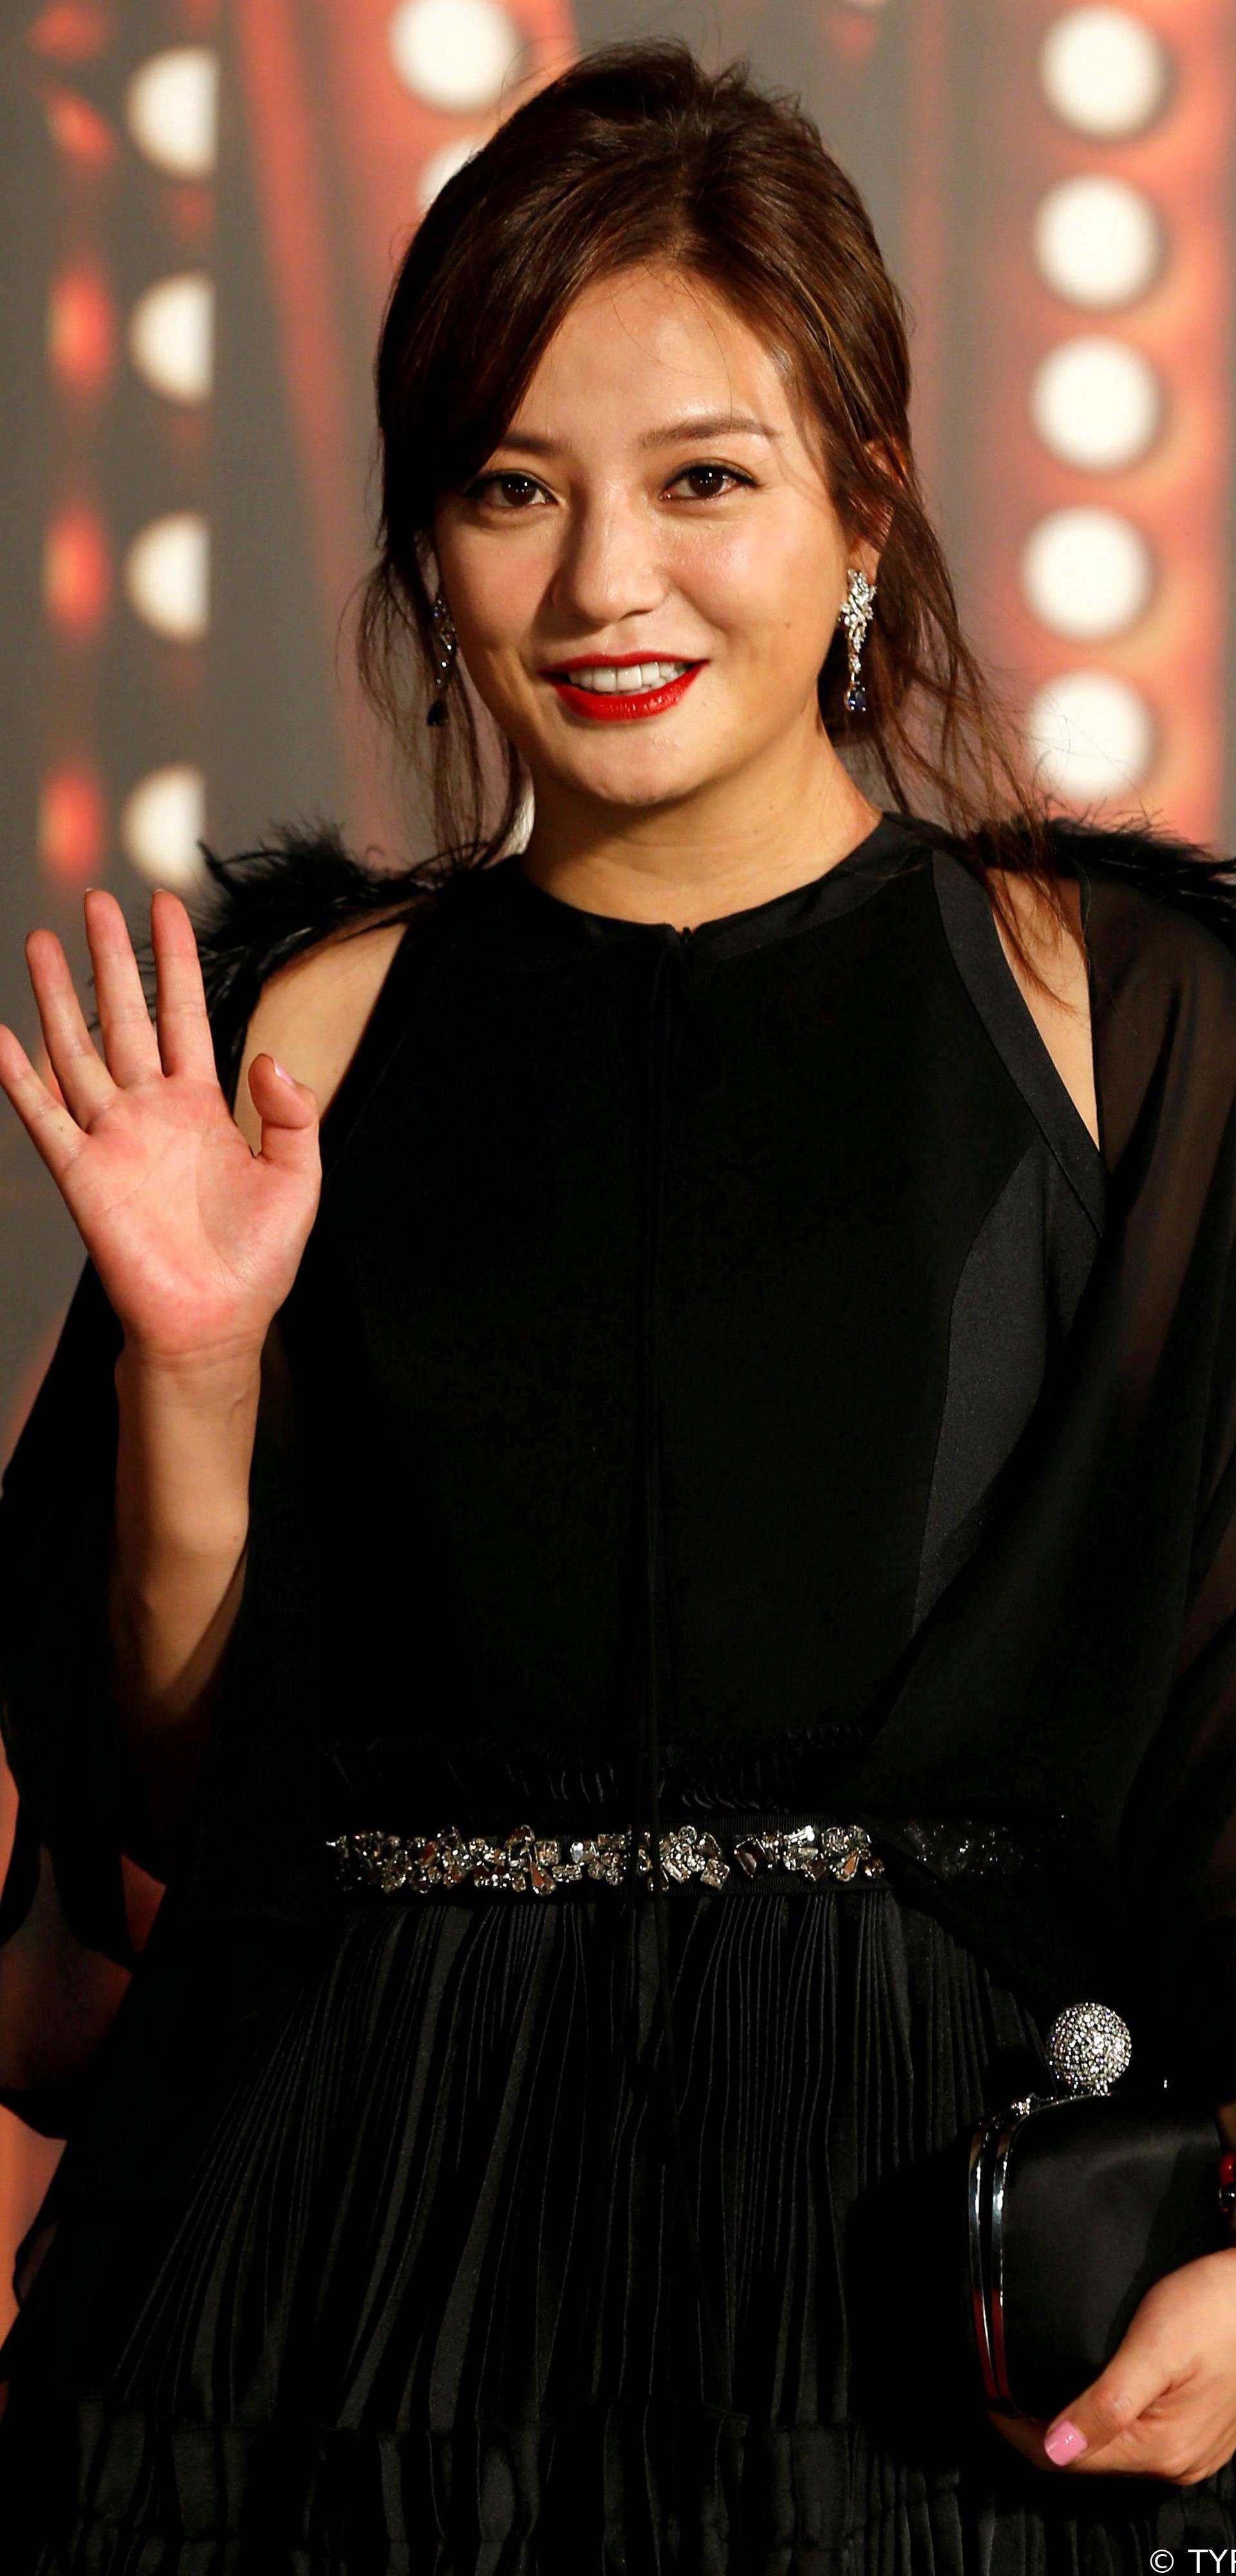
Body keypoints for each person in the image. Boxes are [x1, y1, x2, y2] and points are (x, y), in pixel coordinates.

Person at [3, 33, 1236, 2571]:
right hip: (340, 2290)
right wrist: (199, 1383)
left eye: (703, 482)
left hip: (922, 2295)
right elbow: (152, 1823)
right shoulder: (302, 1035)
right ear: (427, 544)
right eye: (510, 491)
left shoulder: (1123, 1016)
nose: (601, 589)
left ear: (863, 500)